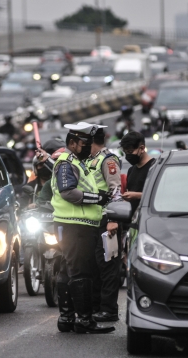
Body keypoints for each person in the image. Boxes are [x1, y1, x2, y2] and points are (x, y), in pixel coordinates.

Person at [51, 122, 114, 334]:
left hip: (76, 224)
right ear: (71, 143)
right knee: (80, 273)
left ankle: (67, 318)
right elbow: (68, 192)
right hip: (75, 225)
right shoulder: (68, 163)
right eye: (83, 143)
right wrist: (97, 198)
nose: (88, 146)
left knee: (68, 271)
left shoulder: (79, 162)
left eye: (88, 143)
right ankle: (84, 320)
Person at [84, 123, 122, 323]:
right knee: (96, 266)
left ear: (90, 141)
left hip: (108, 222)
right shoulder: (91, 159)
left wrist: (113, 219)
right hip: (94, 221)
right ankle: (97, 306)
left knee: (108, 267)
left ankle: (109, 310)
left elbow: (115, 192)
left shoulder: (108, 160)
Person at [120, 131, 156, 214]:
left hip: (147, 216)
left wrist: (136, 196)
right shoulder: (131, 170)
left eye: (130, 152)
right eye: (125, 153)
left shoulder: (154, 168)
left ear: (142, 148)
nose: (128, 156)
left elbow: (158, 195)